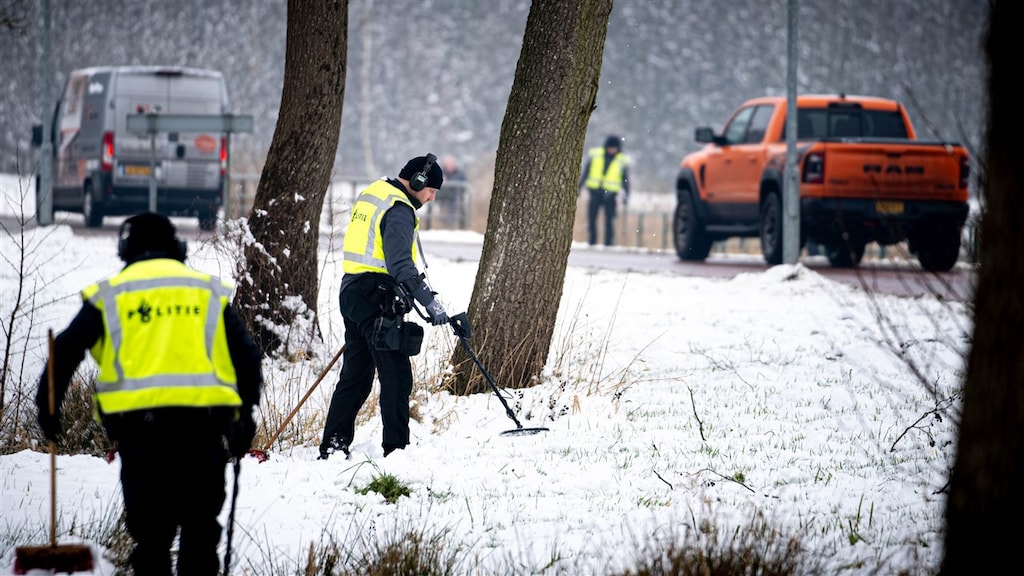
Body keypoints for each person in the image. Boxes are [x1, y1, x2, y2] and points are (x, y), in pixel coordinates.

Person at [36, 212, 264, 576]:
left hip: (141, 438)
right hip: (202, 434)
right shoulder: (205, 292)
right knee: (200, 537)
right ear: (178, 247)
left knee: (152, 540)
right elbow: (248, 358)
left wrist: (48, 411)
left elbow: (64, 352)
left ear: (126, 248)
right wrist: (244, 417)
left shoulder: (111, 294)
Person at [319, 154, 450, 460]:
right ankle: (396, 451)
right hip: (376, 297)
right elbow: (401, 264)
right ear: (417, 181)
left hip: (352, 291)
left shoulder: (375, 193)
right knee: (396, 375)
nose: (431, 198)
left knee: (355, 376)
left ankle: (334, 445)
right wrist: (429, 301)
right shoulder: (399, 209)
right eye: (431, 190)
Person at [580, 134, 630, 246]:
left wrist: (626, 195)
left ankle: (608, 243)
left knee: (609, 220)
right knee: (592, 218)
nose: (612, 150)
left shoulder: (621, 161)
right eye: (610, 147)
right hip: (594, 192)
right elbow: (586, 172)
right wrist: (580, 186)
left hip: (611, 195)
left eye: (614, 148)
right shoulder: (595, 155)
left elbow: (625, 180)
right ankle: (592, 242)